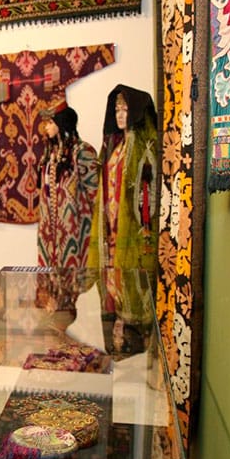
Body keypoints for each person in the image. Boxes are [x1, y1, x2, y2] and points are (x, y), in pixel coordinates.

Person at [87, 84, 159, 354]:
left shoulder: (144, 147)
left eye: (125, 108)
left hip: (132, 239)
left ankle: (136, 346)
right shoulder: (114, 148)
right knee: (113, 295)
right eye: (116, 109)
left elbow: (148, 195)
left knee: (135, 296)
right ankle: (118, 349)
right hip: (111, 237)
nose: (119, 114)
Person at [36, 104, 100, 270]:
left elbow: (95, 196)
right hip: (49, 235)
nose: (46, 127)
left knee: (77, 281)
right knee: (50, 284)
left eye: (50, 122)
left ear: (61, 123)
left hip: (76, 233)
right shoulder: (48, 156)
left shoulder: (82, 152)